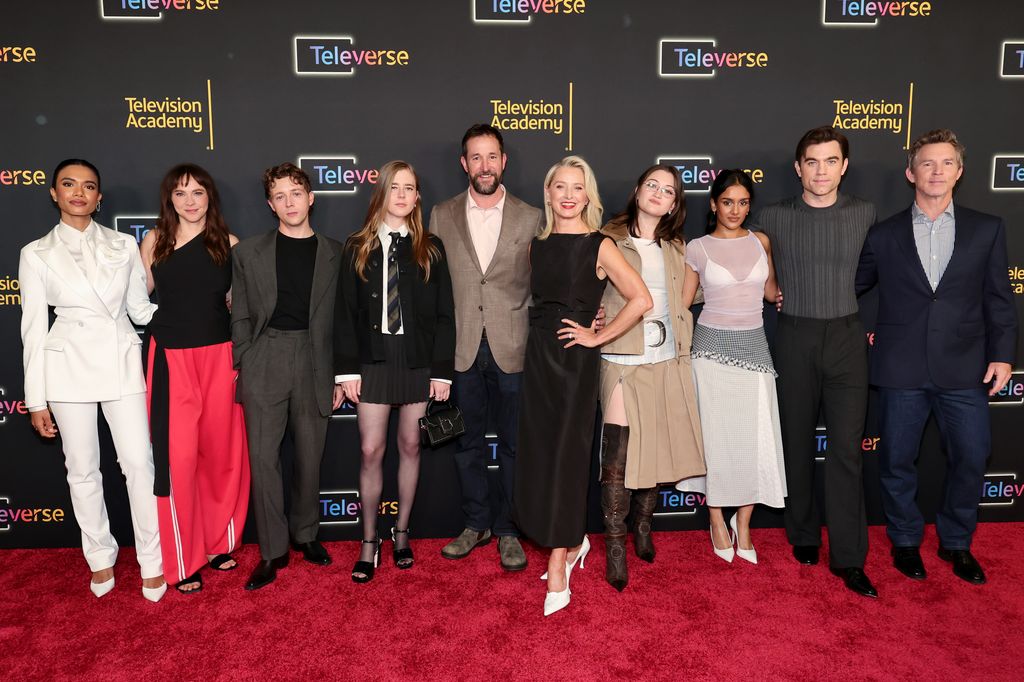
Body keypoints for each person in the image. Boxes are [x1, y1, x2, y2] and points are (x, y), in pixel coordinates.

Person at [856, 129, 1017, 585]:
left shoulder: (987, 228)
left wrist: (1003, 355)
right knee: (897, 461)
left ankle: (956, 542)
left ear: (959, 172)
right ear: (911, 172)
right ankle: (905, 541)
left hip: (965, 366)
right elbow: (852, 286)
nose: (936, 171)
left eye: (946, 163)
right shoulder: (883, 234)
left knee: (971, 456)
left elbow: (999, 298)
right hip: (900, 367)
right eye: (927, 163)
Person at [19, 158, 166, 601]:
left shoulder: (125, 245)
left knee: (140, 464)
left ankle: (152, 560)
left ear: (100, 198)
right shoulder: (35, 253)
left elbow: (140, 310)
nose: (78, 192)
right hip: (66, 368)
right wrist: (35, 399)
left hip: (121, 360)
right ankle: (100, 556)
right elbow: (32, 329)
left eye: (88, 186)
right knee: (82, 469)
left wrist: (202, 316)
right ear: (54, 193)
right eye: (69, 184)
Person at [513, 156, 652, 616]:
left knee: (569, 457)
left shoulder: (600, 244)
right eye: (560, 187)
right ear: (549, 194)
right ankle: (572, 542)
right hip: (538, 358)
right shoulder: (538, 245)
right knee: (541, 453)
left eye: (578, 187)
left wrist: (597, 334)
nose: (569, 195)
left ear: (588, 195)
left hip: (575, 361)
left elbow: (641, 299)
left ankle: (559, 560)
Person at [751, 126, 878, 598]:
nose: (820, 170)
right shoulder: (773, 216)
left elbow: (873, 271)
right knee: (796, 443)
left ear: (844, 166)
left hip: (847, 336)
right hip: (794, 336)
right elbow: (743, 264)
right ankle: (803, 535)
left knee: (846, 451)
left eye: (830, 161)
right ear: (798, 168)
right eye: (812, 161)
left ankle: (849, 557)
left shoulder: (865, 213)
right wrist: (773, 290)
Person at [428, 124, 543, 572]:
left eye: (491, 157)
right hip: (460, 349)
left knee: (514, 445)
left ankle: (509, 528)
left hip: (513, 346)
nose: (484, 166)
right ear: (464, 164)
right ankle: (475, 524)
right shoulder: (440, 214)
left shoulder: (532, 217)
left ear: (503, 161)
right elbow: (433, 287)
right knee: (466, 443)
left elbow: (542, 286)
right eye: (475, 158)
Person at [335, 161, 456, 583]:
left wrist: (442, 373)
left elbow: (445, 315)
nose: (402, 196)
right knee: (370, 450)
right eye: (394, 187)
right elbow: (344, 315)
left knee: (410, 446)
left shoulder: (431, 247)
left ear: (417, 196)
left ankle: (401, 534)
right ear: (381, 192)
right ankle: (369, 541)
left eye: (410, 188)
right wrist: (346, 371)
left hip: (417, 359)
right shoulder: (356, 246)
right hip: (372, 359)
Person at [231, 162, 344, 590]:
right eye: (280, 196)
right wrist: (245, 357)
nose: (289, 202)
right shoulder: (248, 253)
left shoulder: (337, 252)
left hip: (316, 359)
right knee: (263, 459)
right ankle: (272, 550)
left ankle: (306, 535)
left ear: (311, 197)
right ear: (270, 205)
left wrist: (338, 374)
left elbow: (343, 321)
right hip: (266, 355)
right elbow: (239, 311)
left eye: (296, 193)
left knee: (310, 457)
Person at [140, 164, 250, 594]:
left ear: (210, 198)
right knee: (179, 460)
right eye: (181, 193)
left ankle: (220, 543)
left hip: (220, 355)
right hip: (170, 360)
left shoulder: (231, 244)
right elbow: (135, 299)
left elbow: (238, 304)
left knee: (222, 455)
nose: (190, 200)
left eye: (198, 192)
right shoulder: (154, 241)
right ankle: (183, 560)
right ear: (170, 199)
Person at [598, 164, 705, 591]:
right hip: (621, 359)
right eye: (652, 185)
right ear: (637, 190)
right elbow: (583, 290)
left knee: (656, 451)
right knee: (619, 457)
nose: (659, 194)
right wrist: (593, 318)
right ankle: (615, 544)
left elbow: (692, 296)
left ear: (675, 203)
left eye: (669, 191)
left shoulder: (679, 248)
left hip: (667, 359)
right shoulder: (607, 239)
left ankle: (643, 524)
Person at [680, 169, 786, 567]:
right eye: (728, 202)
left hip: (755, 347)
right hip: (710, 351)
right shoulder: (698, 247)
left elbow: (771, 290)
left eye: (743, 203)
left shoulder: (761, 242)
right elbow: (684, 304)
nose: (735, 210)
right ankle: (715, 519)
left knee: (753, 440)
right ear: (713, 204)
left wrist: (790, 294)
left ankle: (744, 523)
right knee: (717, 441)